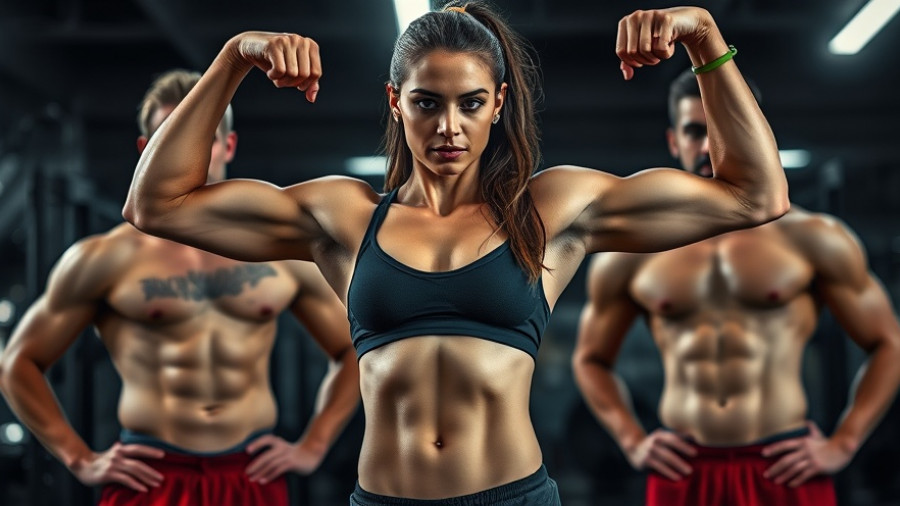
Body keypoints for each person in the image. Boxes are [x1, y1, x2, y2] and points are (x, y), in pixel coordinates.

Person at [122, 2, 790, 504]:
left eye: (471, 104)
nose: (448, 127)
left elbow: (756, 195)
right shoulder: (345, 218)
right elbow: (155, 204)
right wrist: (234, 58)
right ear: (396, 103)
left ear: (499, 103)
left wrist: (705, 38)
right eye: (426, 103)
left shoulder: (549, 210)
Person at [0, 69, 360, 506]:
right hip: (152, 479)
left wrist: (314, 444)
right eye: (171, 135)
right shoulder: (104, 258)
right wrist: (79, 459)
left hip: (248, 474)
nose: (187, 152)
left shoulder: (283, 253)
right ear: (145, 150)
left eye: (203, 136)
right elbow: (16, 362)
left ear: (228, 145)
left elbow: (355, 349)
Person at [572, 68, 900, 506]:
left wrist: (844, 442)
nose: (708, 145)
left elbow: (888, 343)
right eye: (693, 131)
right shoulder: (631, 252)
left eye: (721, 129)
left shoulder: (814, 237)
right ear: (674, 142)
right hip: (683, 471)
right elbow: (591, 359)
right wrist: (632, 440)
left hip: (783, 465)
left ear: (753, 131)